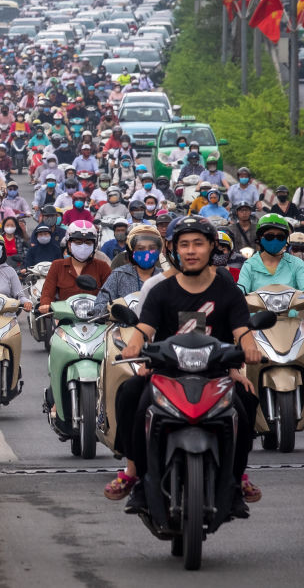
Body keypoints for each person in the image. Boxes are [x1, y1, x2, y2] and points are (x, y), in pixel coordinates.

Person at [118, 216, 263, 514]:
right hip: (165, 372)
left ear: (212, 247)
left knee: (246, 400)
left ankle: (235, 480)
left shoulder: (228, 291)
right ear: (174, 249)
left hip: (216, 373)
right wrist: (134, 346)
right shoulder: (160, 291)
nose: (191, 251)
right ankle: (140, 480)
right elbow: (144, 328)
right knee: (130, 393)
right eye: (184, 244)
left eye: (198, 243)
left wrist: (250, 348)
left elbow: (241, 330)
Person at [38, 221, 111, 314]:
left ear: (94, 245)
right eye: (78, 242)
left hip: (96, 318)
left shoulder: (102, 266)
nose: (83, 247)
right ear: (69, 244)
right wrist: (45, 305)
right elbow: (47, 293)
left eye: (88, 243)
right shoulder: (57, 266)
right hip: (65, 318)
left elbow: (111, 293)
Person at [92, 225, 164, 318]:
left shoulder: (165, 277)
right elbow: (100, 305)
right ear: (131, 251)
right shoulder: (119, 275)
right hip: (123, 326)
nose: (147, 253)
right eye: (140, 248)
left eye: (152, 248)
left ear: (158, 251)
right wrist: (116, 310)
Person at [237, 213, 304, 292]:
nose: (275, 240)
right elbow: (241, 294)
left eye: (280, 237)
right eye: (269, 236)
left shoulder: (297, 264)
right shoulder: (249, 266)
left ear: (285, 239)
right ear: (260, 237)